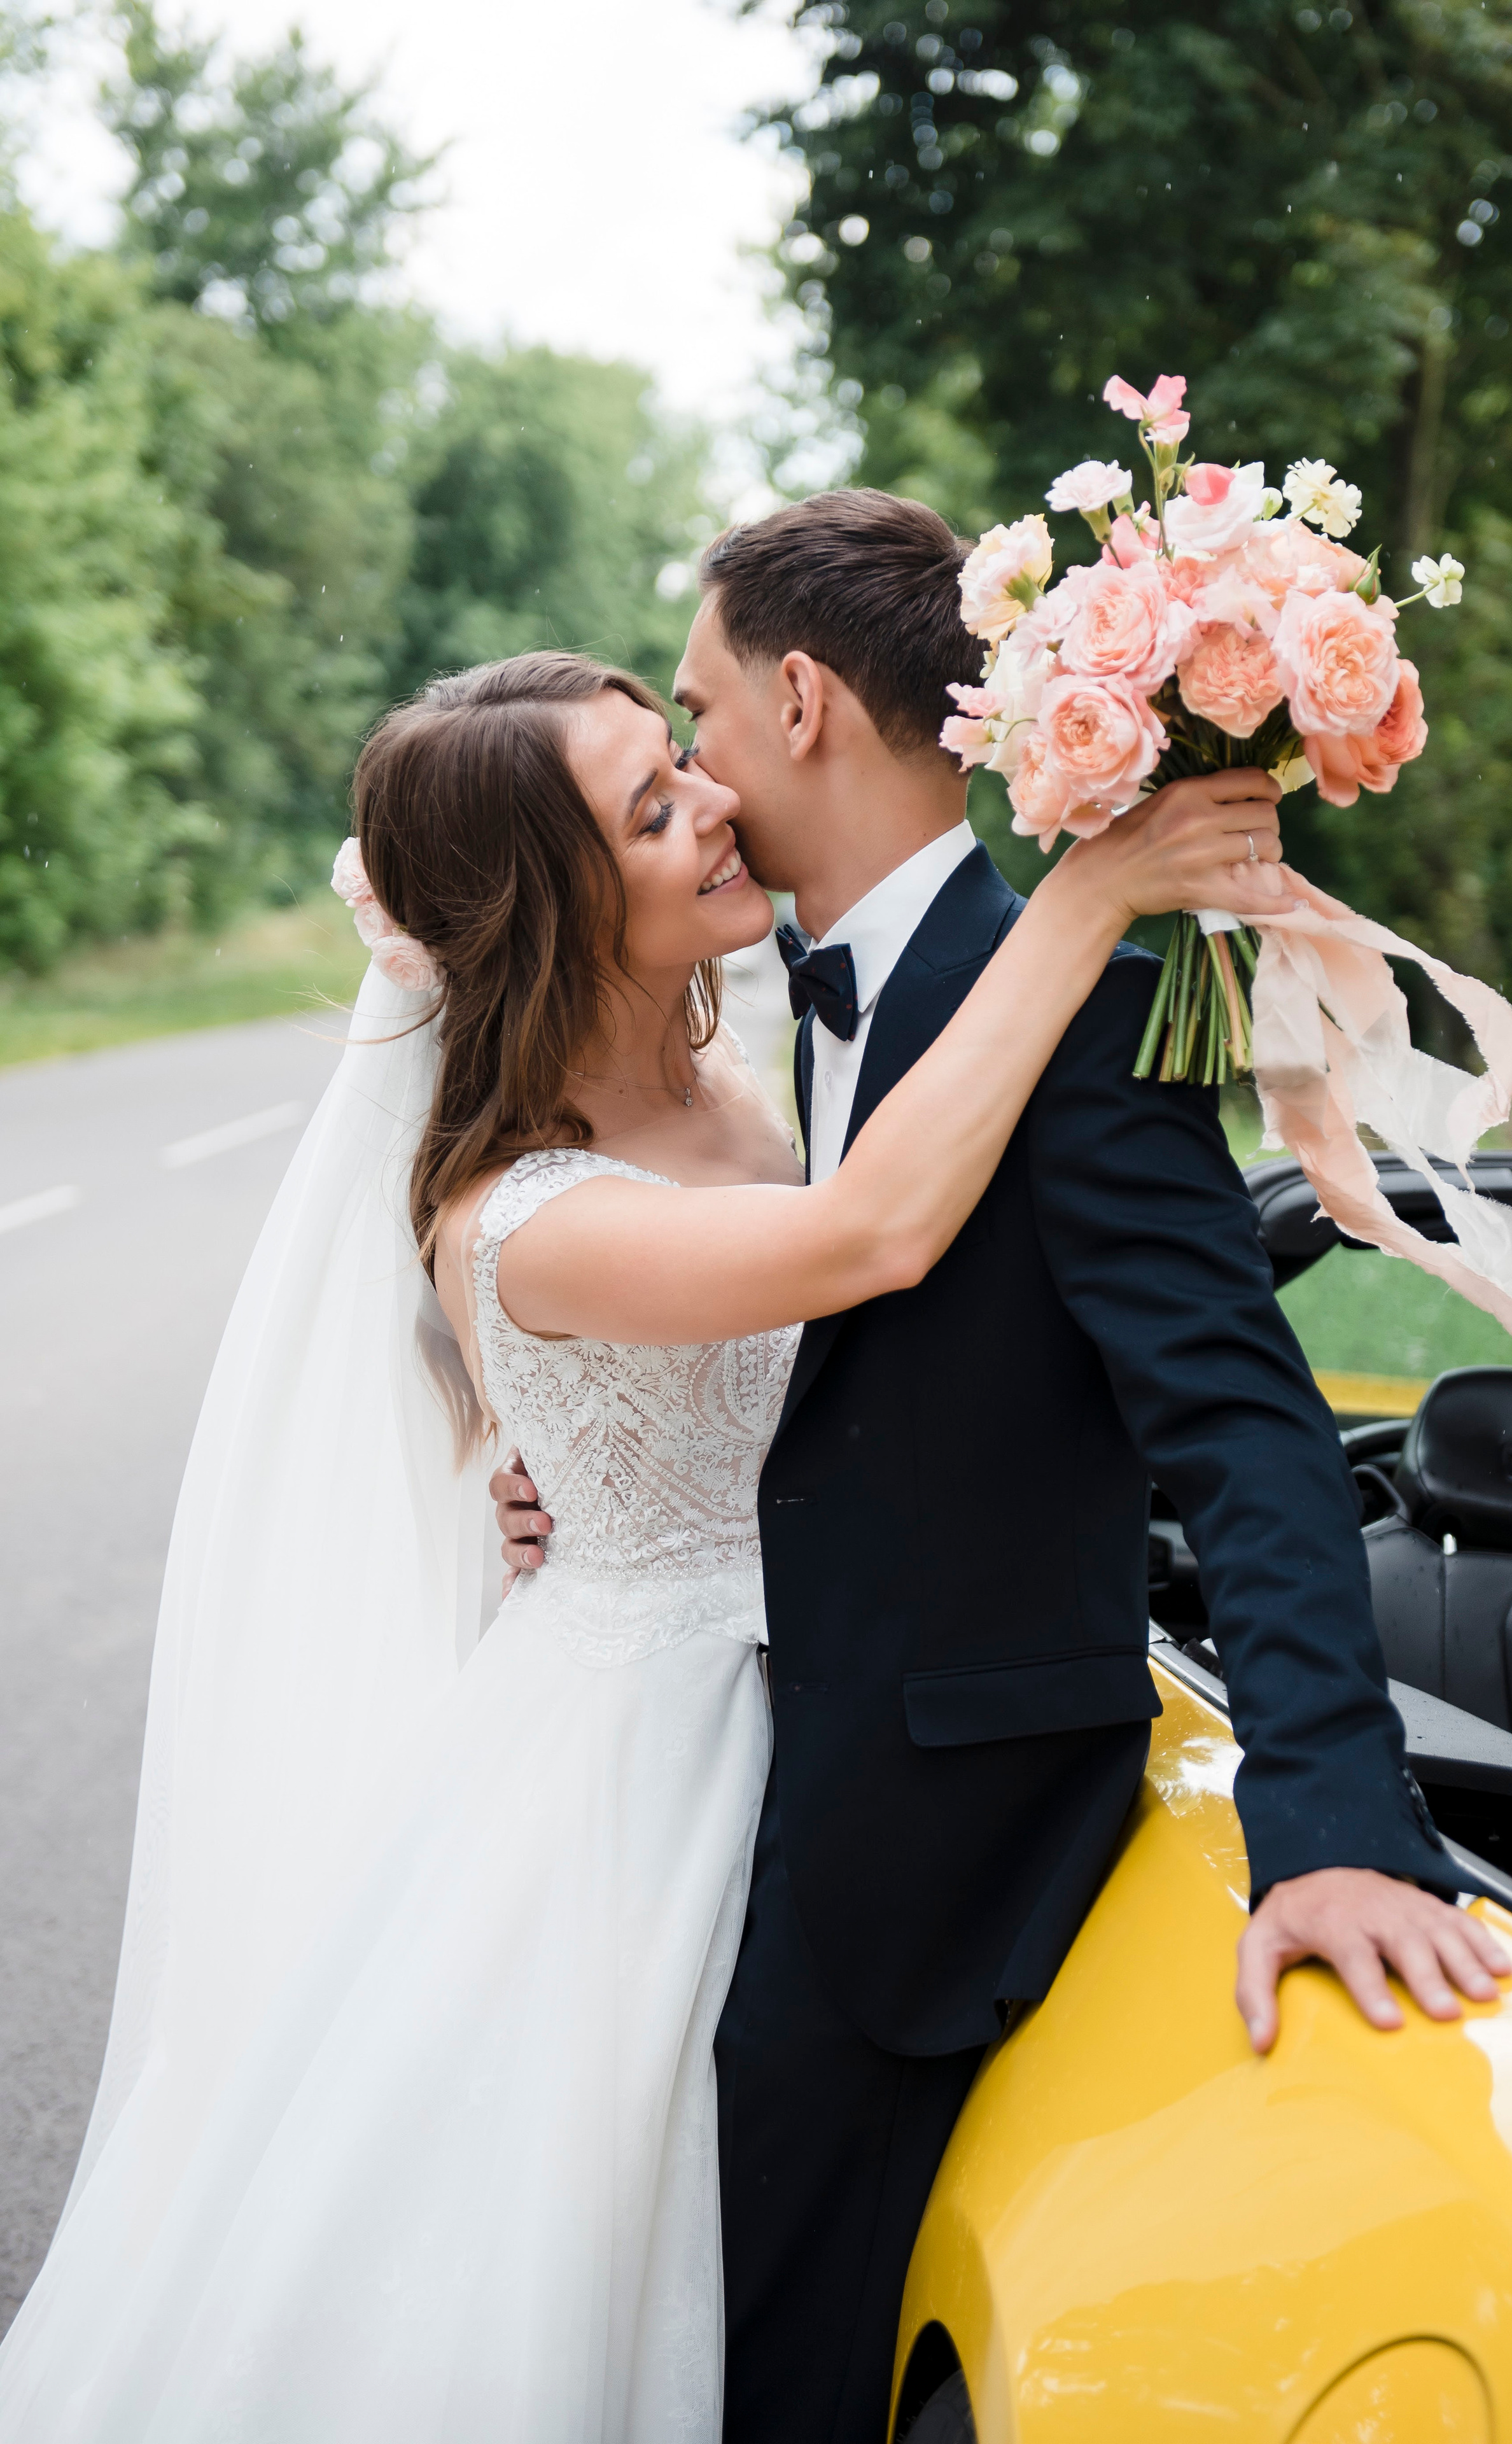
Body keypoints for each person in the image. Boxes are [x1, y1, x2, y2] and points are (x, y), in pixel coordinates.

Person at [0, 646, 1299, 2441]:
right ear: (559, 908)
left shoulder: (761, 1071)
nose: (715, 803)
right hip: (632, 1775)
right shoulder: (523, 1216)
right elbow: (873, 1239)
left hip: (830, 1706)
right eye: (651, 807)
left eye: (679, 766)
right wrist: (1090, 891)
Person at [490, 490, 1512, 2444]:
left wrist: (1333, 1819)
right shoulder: (760, 995)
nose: (693, 765)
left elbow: (1240, 1422)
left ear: (800, 703)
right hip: (712, 1785)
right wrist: (585, 1468)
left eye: (697, 715)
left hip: (927, 1853)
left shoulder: (1088, 994)